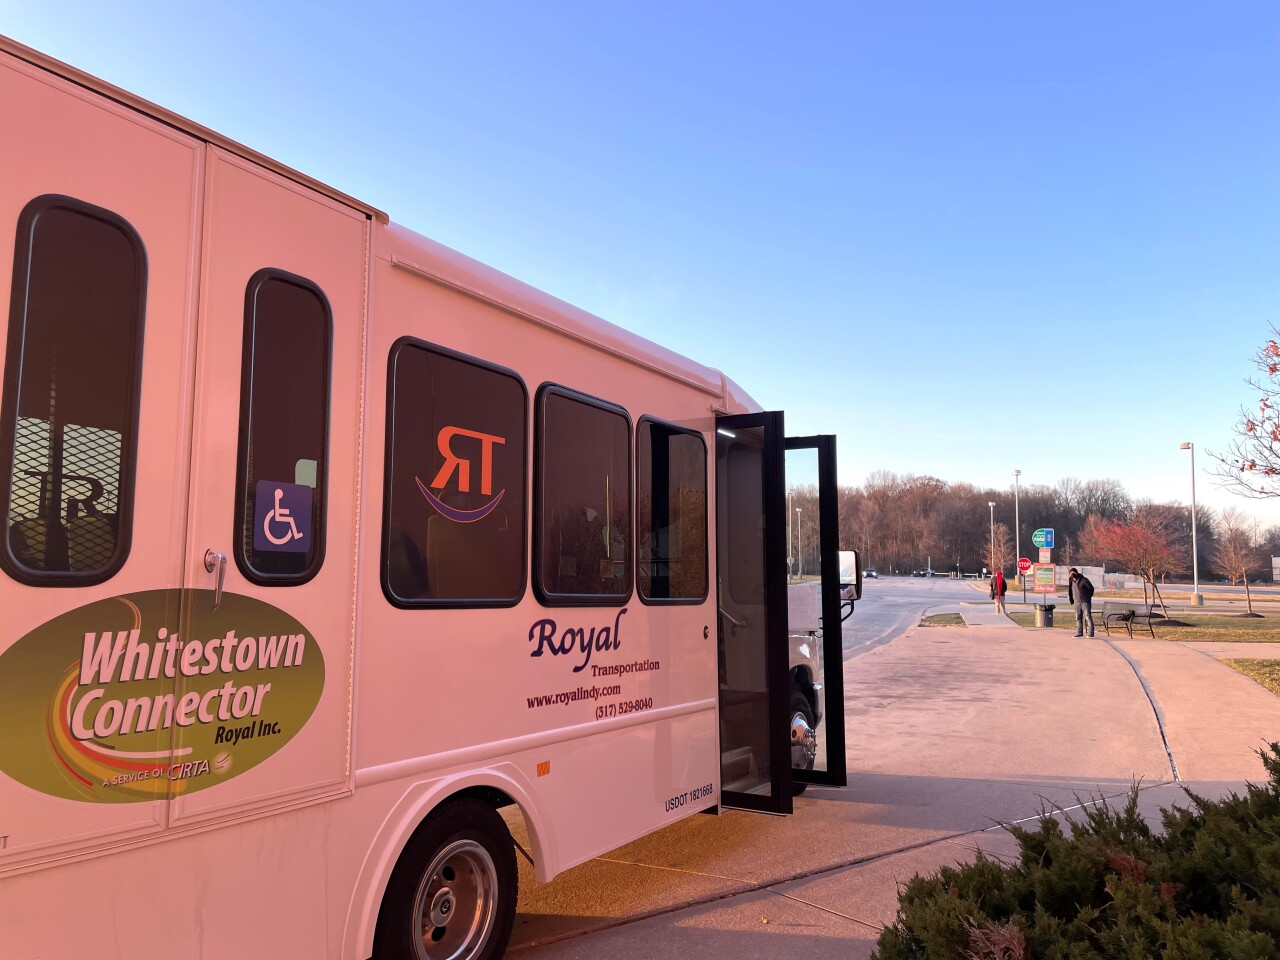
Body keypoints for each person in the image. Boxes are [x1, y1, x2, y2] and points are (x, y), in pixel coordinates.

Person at [1068, 567, 1095, 637]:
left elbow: (1091, 589)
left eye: (1073, 574)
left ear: (1076, 573)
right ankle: (1079, 633)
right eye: (1070, 574)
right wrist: (1072, 600)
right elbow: (1070, 591)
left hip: (1085, 602)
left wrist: (1087, 597)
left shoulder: (1084, 580)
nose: (1072, 576)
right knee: (1078, 618)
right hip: (1077, 603)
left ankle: (1091, 633)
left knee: (1087, 617)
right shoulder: (1071, 581)